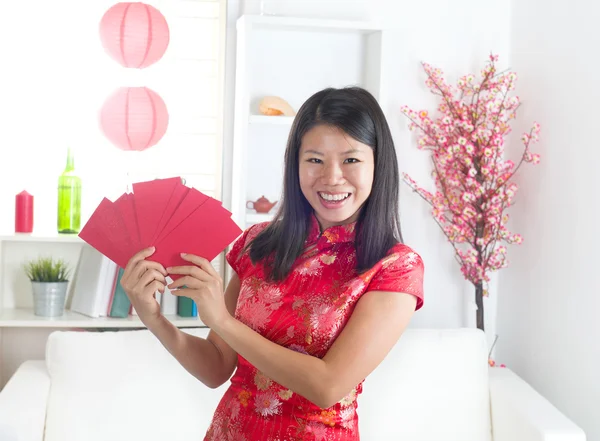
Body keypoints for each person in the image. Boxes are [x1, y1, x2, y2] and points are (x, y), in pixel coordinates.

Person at [120, 86, 425, 441]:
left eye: (351, 160)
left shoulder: (395, 267)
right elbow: (216, 367)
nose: (331, 177)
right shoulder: (258, 243)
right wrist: (153, 318)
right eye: (314, 159)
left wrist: (221, 319)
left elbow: (327, 386)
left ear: (378, 164)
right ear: (295, 164)